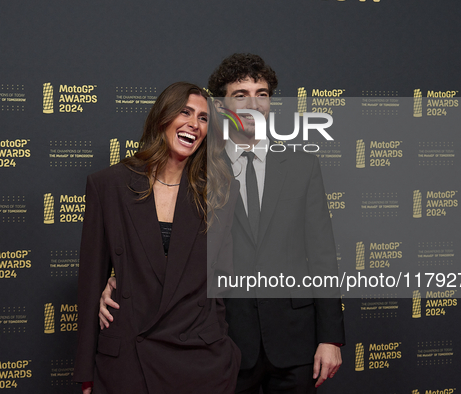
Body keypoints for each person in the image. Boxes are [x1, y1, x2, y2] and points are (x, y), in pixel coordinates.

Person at [100, 54, 345, 393]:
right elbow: (161, 244)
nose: (254, 103)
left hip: (295, 340)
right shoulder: (196, 168)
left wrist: (331, 338)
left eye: (262, 94)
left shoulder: (302, 165)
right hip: (222, 341)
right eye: (240, 94)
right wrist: (118, 281)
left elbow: (323, 255)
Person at [73, 82, 240, 394]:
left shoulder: (219, 192)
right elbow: (90, 284)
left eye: (203, 118)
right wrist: (86, 374)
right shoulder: (108, 185)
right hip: (128, 363)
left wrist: (219, 345)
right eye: (185, 112)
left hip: (199, 362)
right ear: (163, 117)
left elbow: (222, 280)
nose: (194, 124)